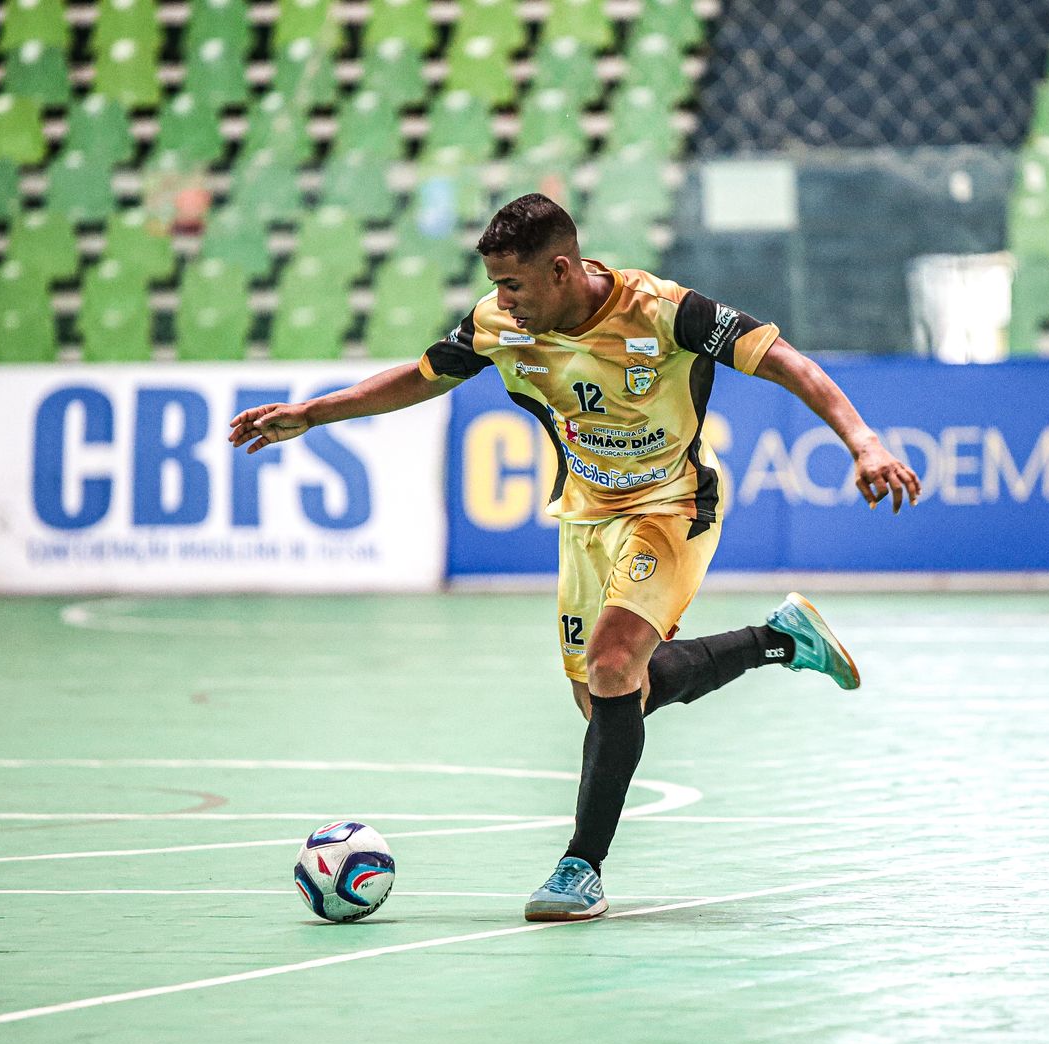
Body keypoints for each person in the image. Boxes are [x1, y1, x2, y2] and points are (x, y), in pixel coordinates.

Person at [229, 194, 921, 921]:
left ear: (561, 270)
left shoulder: (661, 311)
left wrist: (863, 440)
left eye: (514, 285)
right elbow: (422, 375)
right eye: (496, 285)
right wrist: (313, 413)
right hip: (585, 516)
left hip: (675, 501)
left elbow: (783, 361)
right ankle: (777, 640)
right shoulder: (500, 325)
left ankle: (580, 869)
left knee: (614, 660)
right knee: (610, 700)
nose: (502, 301)